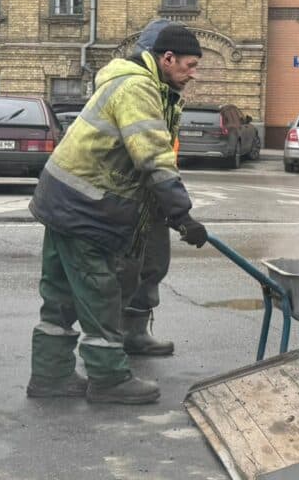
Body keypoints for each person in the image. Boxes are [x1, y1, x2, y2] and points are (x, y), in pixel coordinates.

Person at [26, 24, 209, 405]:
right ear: (167, 58)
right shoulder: (138, 88)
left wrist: (169, 212)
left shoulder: (132, 81)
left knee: (60, 295)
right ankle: (109, 379)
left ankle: (51, 374)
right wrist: (183, 214)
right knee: (100, 293)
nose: (193, 74)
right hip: (85, 207)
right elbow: (154, 157)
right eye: (189, 65)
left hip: (62, 199)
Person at [116, 19, 177, 357]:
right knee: (124, 270)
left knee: (154, 262)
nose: (191, 72)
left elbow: (164, 149)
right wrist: (178, 206)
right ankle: (109, 348)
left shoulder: (168, 92)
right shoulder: (136, 87)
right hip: (124, 195)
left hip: (152, 194)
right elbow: (148, 151)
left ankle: (136, 332)